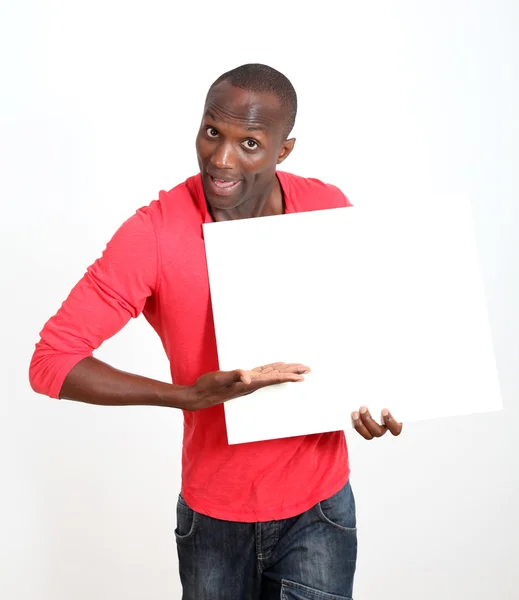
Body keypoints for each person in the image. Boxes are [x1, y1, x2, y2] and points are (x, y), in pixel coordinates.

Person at [29, 63, 403, 599]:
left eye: (250, 142)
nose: (222, 159)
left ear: (284, 149)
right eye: (212, 132)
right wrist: (185, 396)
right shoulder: (154, 232)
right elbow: (51, 361)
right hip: (215, 517)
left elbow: (366, 331)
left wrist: (376, 399)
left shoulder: (325, 208)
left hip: (320, 507)